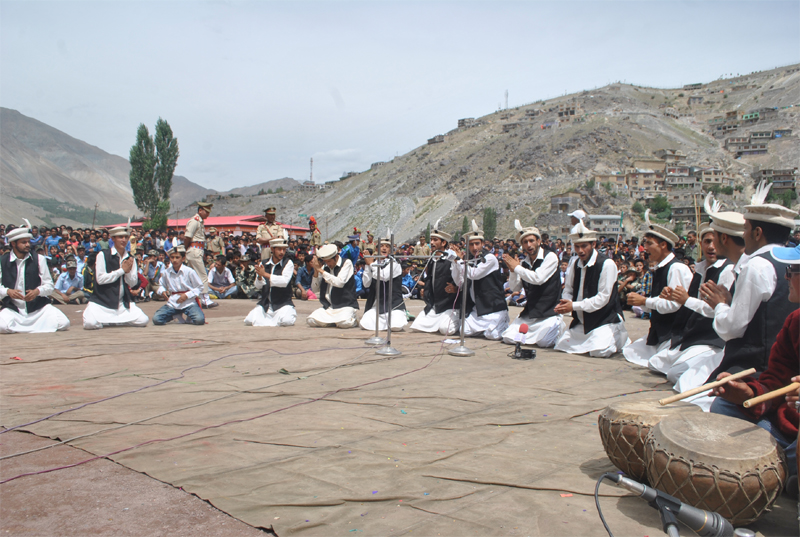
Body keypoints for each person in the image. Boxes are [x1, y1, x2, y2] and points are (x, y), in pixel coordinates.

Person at [709, 242, 800, 492]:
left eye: (793, 270)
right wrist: (749, 394)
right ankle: (786, 467)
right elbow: (776, 381)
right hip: (787, 425)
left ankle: (785, 467)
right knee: (723, 405)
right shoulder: (795, 322)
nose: (786, 277)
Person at [703, 181, 800, 381]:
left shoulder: (757, 265)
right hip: (791, 366)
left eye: (745, 229)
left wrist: (720, 305)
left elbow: (731, 329)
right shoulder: (794, 258)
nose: (743, 235)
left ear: (757, 233)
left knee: (711, 402)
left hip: (761, 369)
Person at [647, 215, 738, 385]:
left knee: (676, 375)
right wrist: (674, 296)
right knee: (655, 363)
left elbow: (715, 309)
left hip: (711, 338)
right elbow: (688, 301)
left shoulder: (727, 270)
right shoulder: (701, 269)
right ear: (700, 243)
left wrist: (686, 299)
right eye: (707, 241)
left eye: (714, 241)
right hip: (691, 335)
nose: (711, 247)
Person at [623, 211, 692, 366]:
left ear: (663, 245)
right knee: (630, 351)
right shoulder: (659, 269)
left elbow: (673, 305)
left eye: (649, 243)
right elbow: (657, 305)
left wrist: (645, 301)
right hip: (660, 331)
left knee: (658, 363)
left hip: (675, 333)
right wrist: (641, 302)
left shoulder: (676, 269)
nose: (644, 248)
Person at [553, 222, 629, 357]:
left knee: (600, 351)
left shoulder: (607, 264)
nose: (580, 250)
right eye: (577, 246)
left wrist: (573, 306)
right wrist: (566, 302)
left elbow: (602, 298)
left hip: (604, 320)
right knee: (561, 345)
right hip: (582, 322)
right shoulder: (575, 263)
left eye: (584, 246)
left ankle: (619, 336)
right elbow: (568, 289)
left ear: (593, 245)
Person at [501, 221, 565, 347]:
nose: (529, 245)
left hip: (548, 312)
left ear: (538, 241)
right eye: (525, 242)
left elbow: (538, 278)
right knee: (508, 338)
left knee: (544, 342)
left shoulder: (550, 257)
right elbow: (515, 287)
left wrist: (517, 268)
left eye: (531, 241)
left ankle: (558, 327)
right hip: (531, 313)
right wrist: (513, 271)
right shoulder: (524, 263)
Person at [0, 221, 70, 333]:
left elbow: (49, 286)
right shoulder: (2, 261)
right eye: (23, 242)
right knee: (2, 326)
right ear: (13, 244)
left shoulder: (39, 259)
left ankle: (23, 329)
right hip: (13, 309)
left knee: (63, 323)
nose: (28, 245)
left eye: (28, 242)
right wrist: (8, 292)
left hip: (38, 309)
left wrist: (37, 291)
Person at [82, 225, 149, 329]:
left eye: (126, 237)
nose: (124, 240)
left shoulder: (130, 258)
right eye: (120, 237)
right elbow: (100, 279)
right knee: (90, 323)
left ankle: (114, 320)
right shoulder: (102, 255)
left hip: (122, 303)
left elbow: (132, 283)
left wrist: (128, 272)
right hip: (102, 303)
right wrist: (121, 271)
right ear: (113, 238)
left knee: (143, 320)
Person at [451, 221, 509, 340]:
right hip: (478, 310)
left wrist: (460, 261)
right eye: (471, 244)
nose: (474, 248)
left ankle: (501, 322)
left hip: (493, 309)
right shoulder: (469, 260)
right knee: (464, 331)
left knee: (492, 336)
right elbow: (459, 282)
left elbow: (474, 274)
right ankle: (488, 329)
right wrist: (455, 262)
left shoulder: (490, 258)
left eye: (477, 244)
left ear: (483, 243)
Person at [410, 224, 459, 335]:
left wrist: (455, 288)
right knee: (418, 326)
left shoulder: (452, 258)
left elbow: (462, 277)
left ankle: (458, 319)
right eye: (431, 240)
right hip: (435, 304)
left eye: (435, 240)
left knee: (445, 329)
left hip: (449, 304)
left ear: (443, 243)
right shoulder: (432, 259)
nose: (431, 243)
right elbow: (430, 279)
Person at [245, 238, 296, 327]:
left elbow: (284, 281)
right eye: (279, 249)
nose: (282, 252)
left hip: (282, 304)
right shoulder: (264, 263)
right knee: (249, 320)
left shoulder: (288, 263)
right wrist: (260, 277)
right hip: (266, 304)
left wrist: (265, 274)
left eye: (284, 250)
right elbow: (258, 286)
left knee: (286, 321)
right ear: (272, 249)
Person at [360, 237, 407, 331]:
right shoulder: (372, 264)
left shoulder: (395, 264)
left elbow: (383, 277)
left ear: (390, 250)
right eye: (381, 246)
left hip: (394, 306)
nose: (384, 248)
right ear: (376, 249)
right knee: (365, 324)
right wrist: (367, 265)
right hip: (378, 306)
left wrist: (371, 264)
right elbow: (366, 284)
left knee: (395, 326)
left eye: (387, 246)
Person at [306, 244, 359, 328]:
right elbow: (315, 290)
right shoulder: (325, 267)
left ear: (336, 257)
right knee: (311, 320)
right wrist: (316, 271)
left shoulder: (346, 263)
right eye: (326, 261)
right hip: (329, 308)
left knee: (344, 323)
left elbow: (339, 283)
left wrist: (320, 270)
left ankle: (352, 318)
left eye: (329, 261)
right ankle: (333, 322)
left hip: (345, 306)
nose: (327, 264)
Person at [152, 245, 205, 326]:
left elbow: (200, 287)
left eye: (177, 257)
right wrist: (162, 292)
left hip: (188, 302)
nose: (174, 260)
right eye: (172, 257)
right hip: (173, 302)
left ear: (183, 258)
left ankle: (189, 316)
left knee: (199, 320)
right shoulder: (167, 272)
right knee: (157, 319)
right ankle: (175, 315)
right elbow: (161, 285)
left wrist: (187, 295)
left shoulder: (189, 271)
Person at [184, 201, 217, 308]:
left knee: (191, 277)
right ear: (200, 210)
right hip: (194, 249)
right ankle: (205, 300)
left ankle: (190, 299)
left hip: (197, 250)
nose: (208, 214)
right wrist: (184, 250)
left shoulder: (200, 222)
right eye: (206, 211)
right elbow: (187, 237)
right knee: (202, 275)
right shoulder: (194, 221)